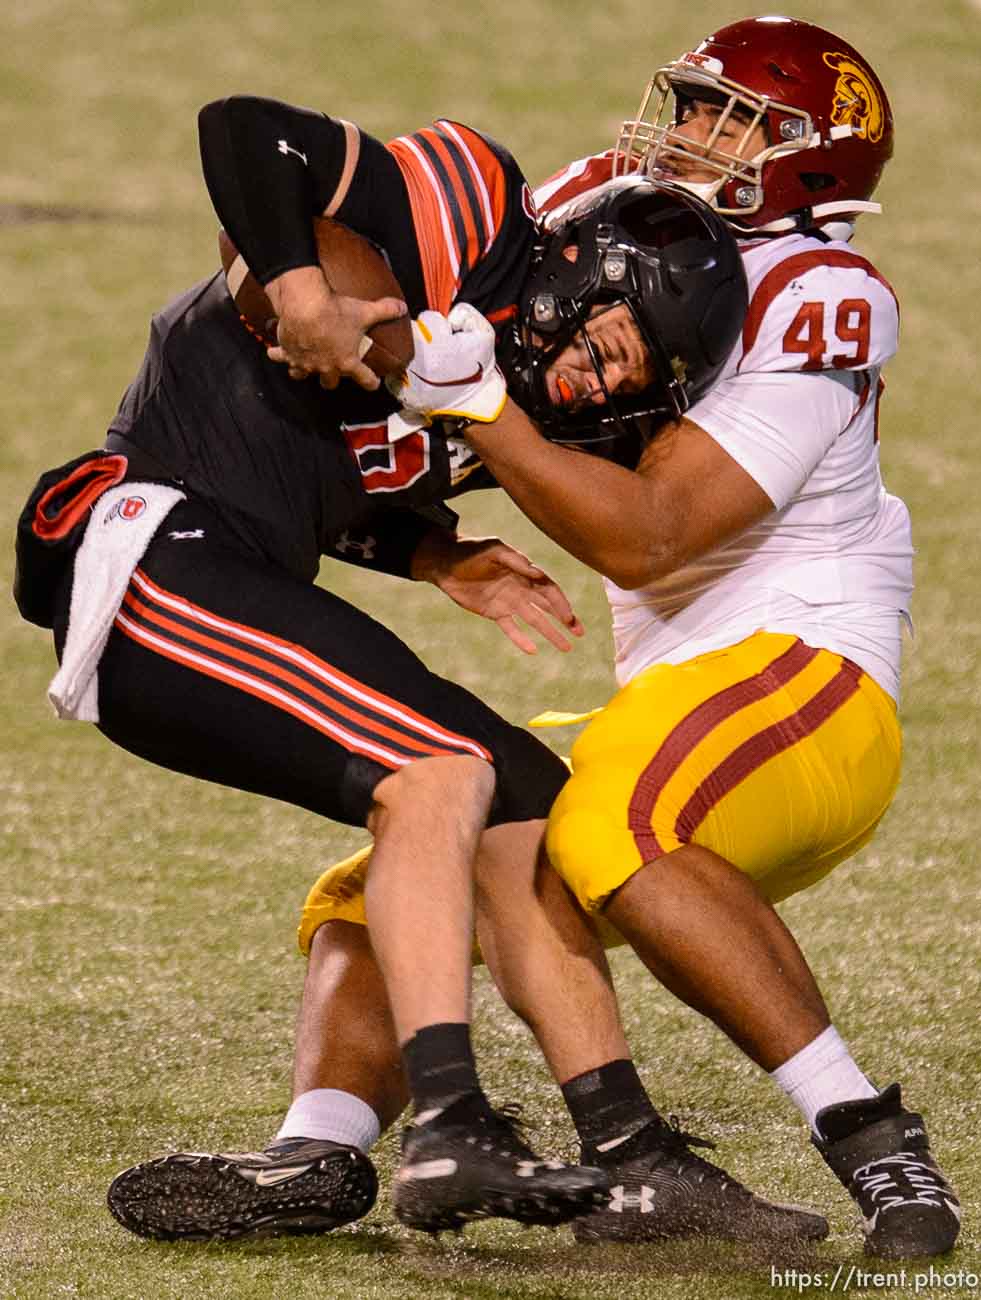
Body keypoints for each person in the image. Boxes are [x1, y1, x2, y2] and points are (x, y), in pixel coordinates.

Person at [103, 16, 962, 1261]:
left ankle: (873, 1140)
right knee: (414, 854)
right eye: (695, 106)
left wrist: (480, 404)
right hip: (669, 687)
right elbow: (334, 239)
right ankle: (321, 1145)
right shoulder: (597, 202)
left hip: (802, 667)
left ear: (812, 166)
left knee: (620, 827)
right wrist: (308, 289)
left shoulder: (818, 292)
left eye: (737, 125)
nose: (692, 139)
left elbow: (655, 537)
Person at [13, 95, 753, 1240]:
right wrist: (300, 287)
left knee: (515, 786)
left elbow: (339, 473)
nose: (600, 387)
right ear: (578, 276)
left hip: (238, 565)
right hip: (149, 542)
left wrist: (429, 549)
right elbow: (244, 135)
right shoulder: (473, 215)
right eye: (609, 347)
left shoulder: (519, 409)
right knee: (440, 770)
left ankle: (628, 1151)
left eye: (627, 381)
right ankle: (451, 1120)